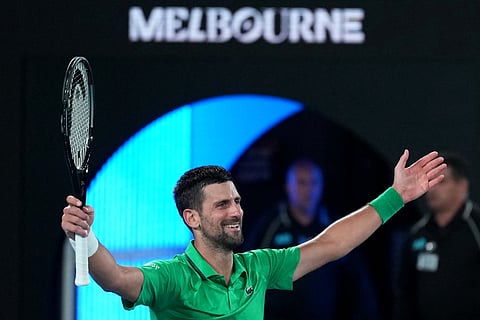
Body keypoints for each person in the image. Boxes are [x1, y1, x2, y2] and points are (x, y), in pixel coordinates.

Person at [61, 149, 445, 319]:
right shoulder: (173, 277)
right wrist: (87, 238)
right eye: (222, 205)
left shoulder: (258, 269)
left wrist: (396, 197)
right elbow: (116, 279)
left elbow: (332, 244)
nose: (236, 212)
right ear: (191, 218)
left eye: (237, 201)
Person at [243, 158, 380, 319]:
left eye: (314, 182)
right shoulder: (270, 225)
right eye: (302, 182)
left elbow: (359, 280)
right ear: (288, 186)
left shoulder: (335, 224)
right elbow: (246, 275)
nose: (308, 189)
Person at [393, 152, 480, 320]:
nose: (432, 189)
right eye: (430, 182)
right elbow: (405, 291)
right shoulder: (417, 233)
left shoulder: (476, 227)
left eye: (442, 182)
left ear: (462, 186)